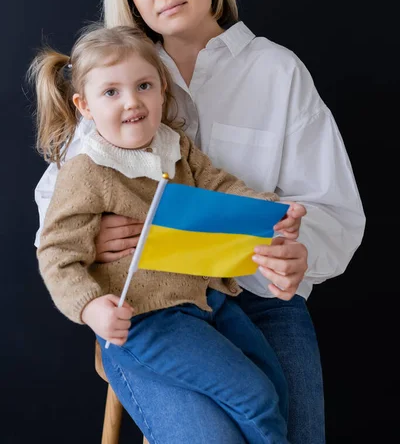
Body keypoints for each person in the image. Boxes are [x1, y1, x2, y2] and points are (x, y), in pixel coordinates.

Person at [34, 0, 366, 444]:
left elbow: (335, 212)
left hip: (261, 301)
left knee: (291, 430)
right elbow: (55, 207)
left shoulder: (278, 72)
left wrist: (299, 247)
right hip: (150, 307)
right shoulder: (117, 75)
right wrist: (91, 238)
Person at [30, 24, 308, 444]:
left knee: (272, 379)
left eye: (143, 86)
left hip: (206, 302)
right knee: (254, 397)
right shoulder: (88, 170)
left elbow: (220, 185)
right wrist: (90, 309)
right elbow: (56, 253)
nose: (131, 103)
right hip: (145, 319)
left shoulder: (173, 144)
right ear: (84, 106)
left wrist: (268, 210)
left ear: (162, 89)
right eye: (111, 93)